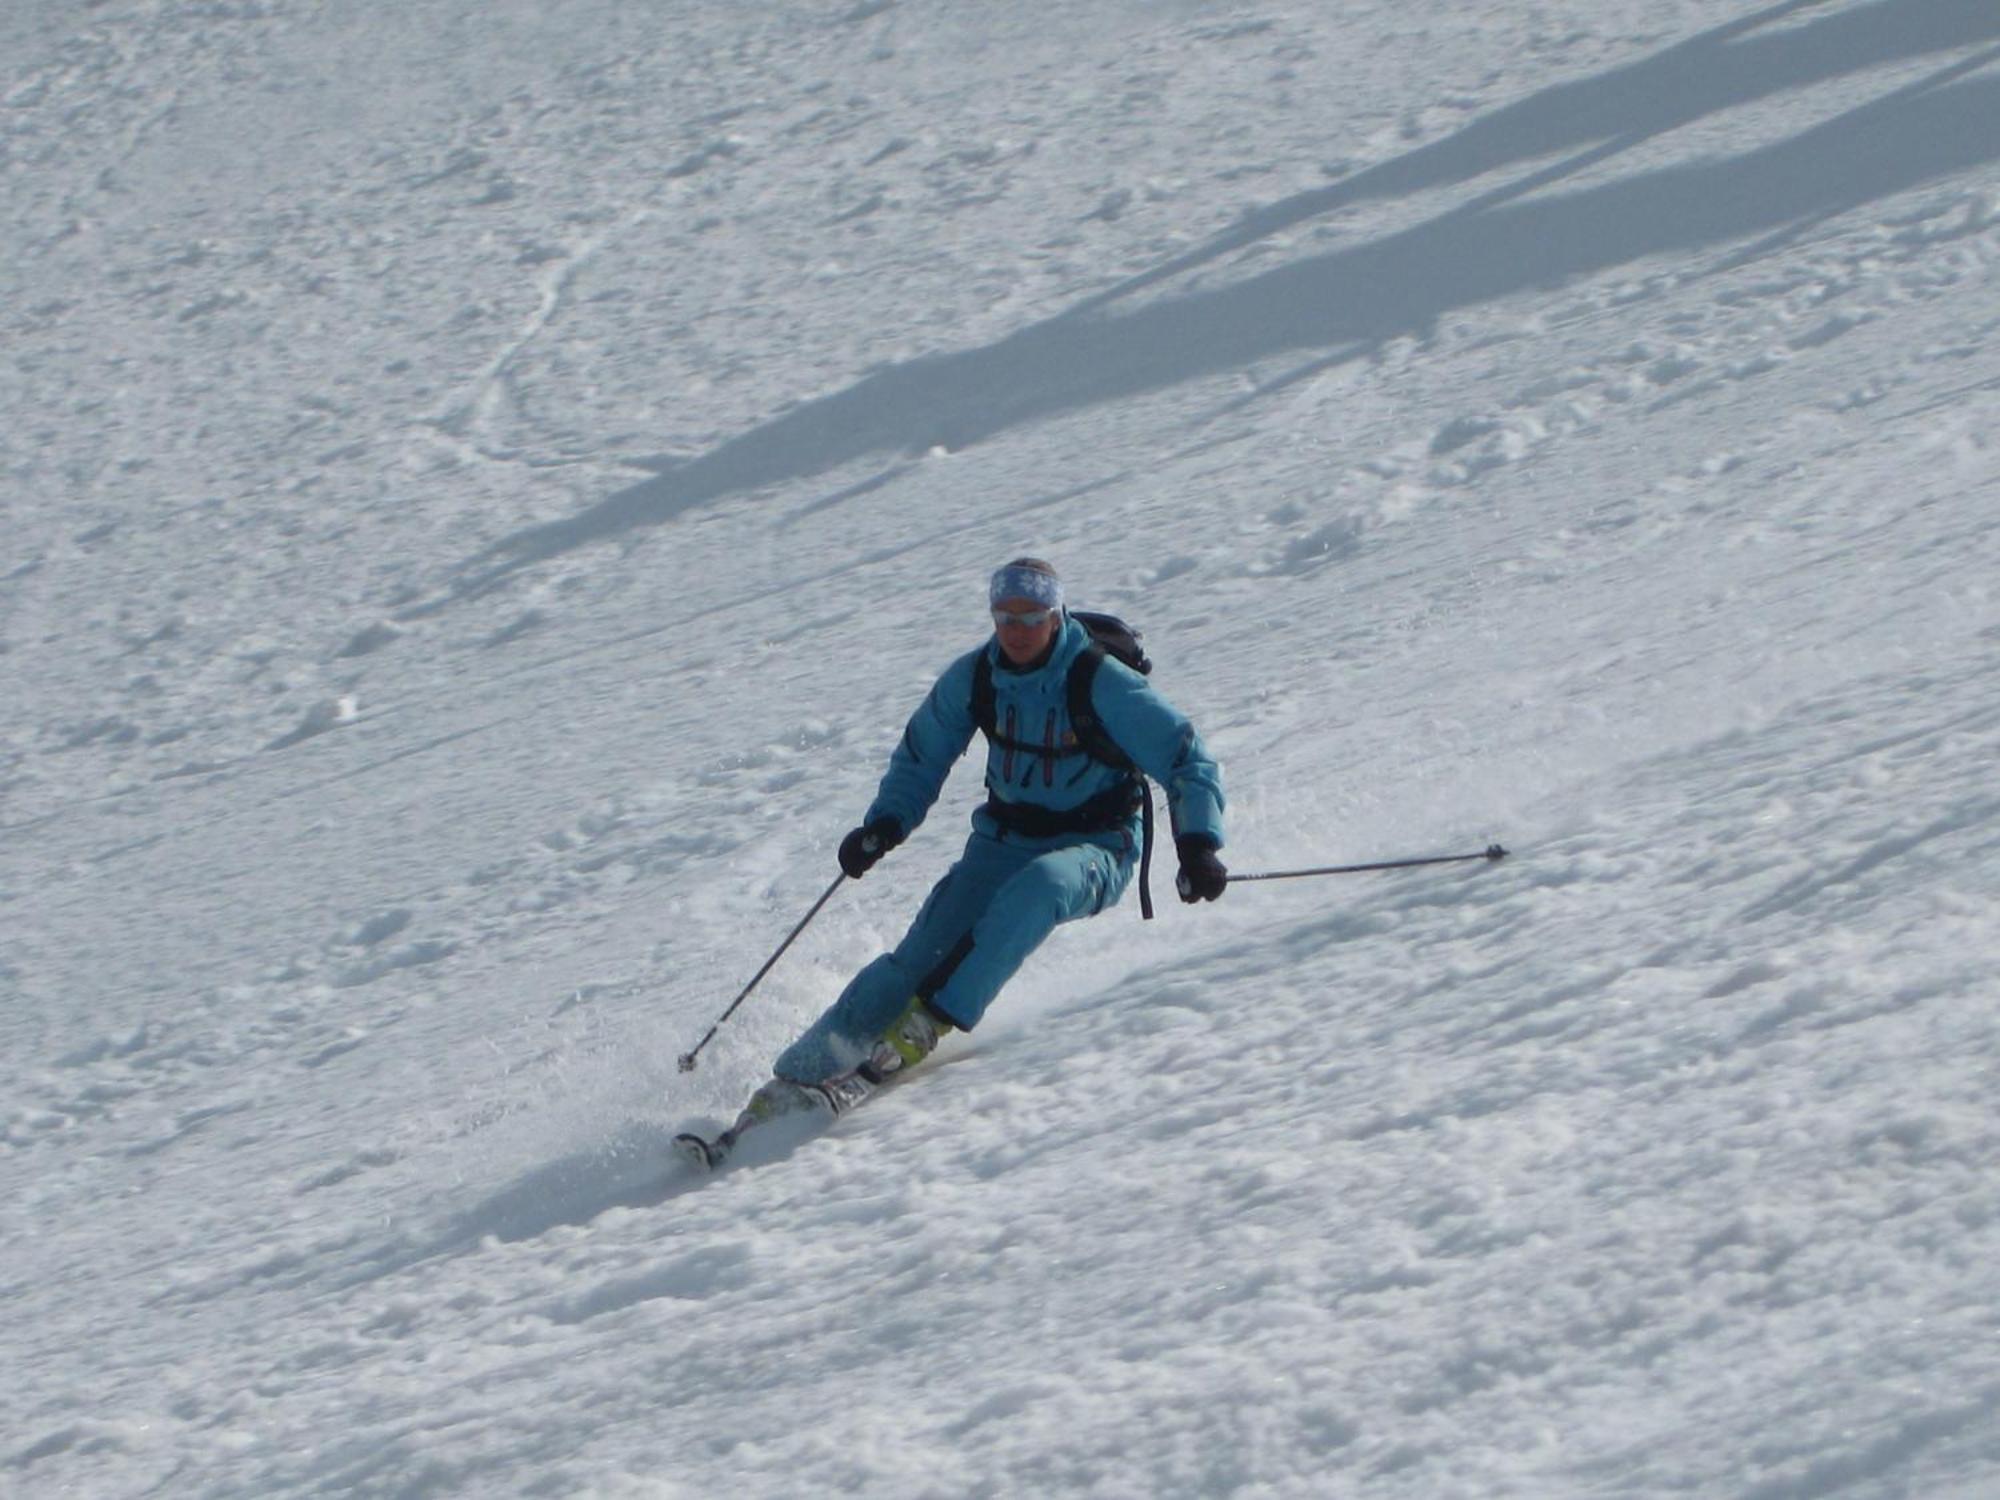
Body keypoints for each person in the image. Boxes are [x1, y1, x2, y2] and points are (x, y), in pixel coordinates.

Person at [746, 557, 1227, 1118]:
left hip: (1099, 844)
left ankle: (920, 1032)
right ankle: (794, 1079)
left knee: (1041, 887)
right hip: (1002, 841)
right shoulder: (977, 677)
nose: (1018, 631)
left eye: (1032, 617)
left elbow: (1186, 758)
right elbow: (923, 754)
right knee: (914, 960)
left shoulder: (1099, 680)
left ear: (1056, 615)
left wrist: (1198, 846)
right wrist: (884, 823)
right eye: (1006, 618)